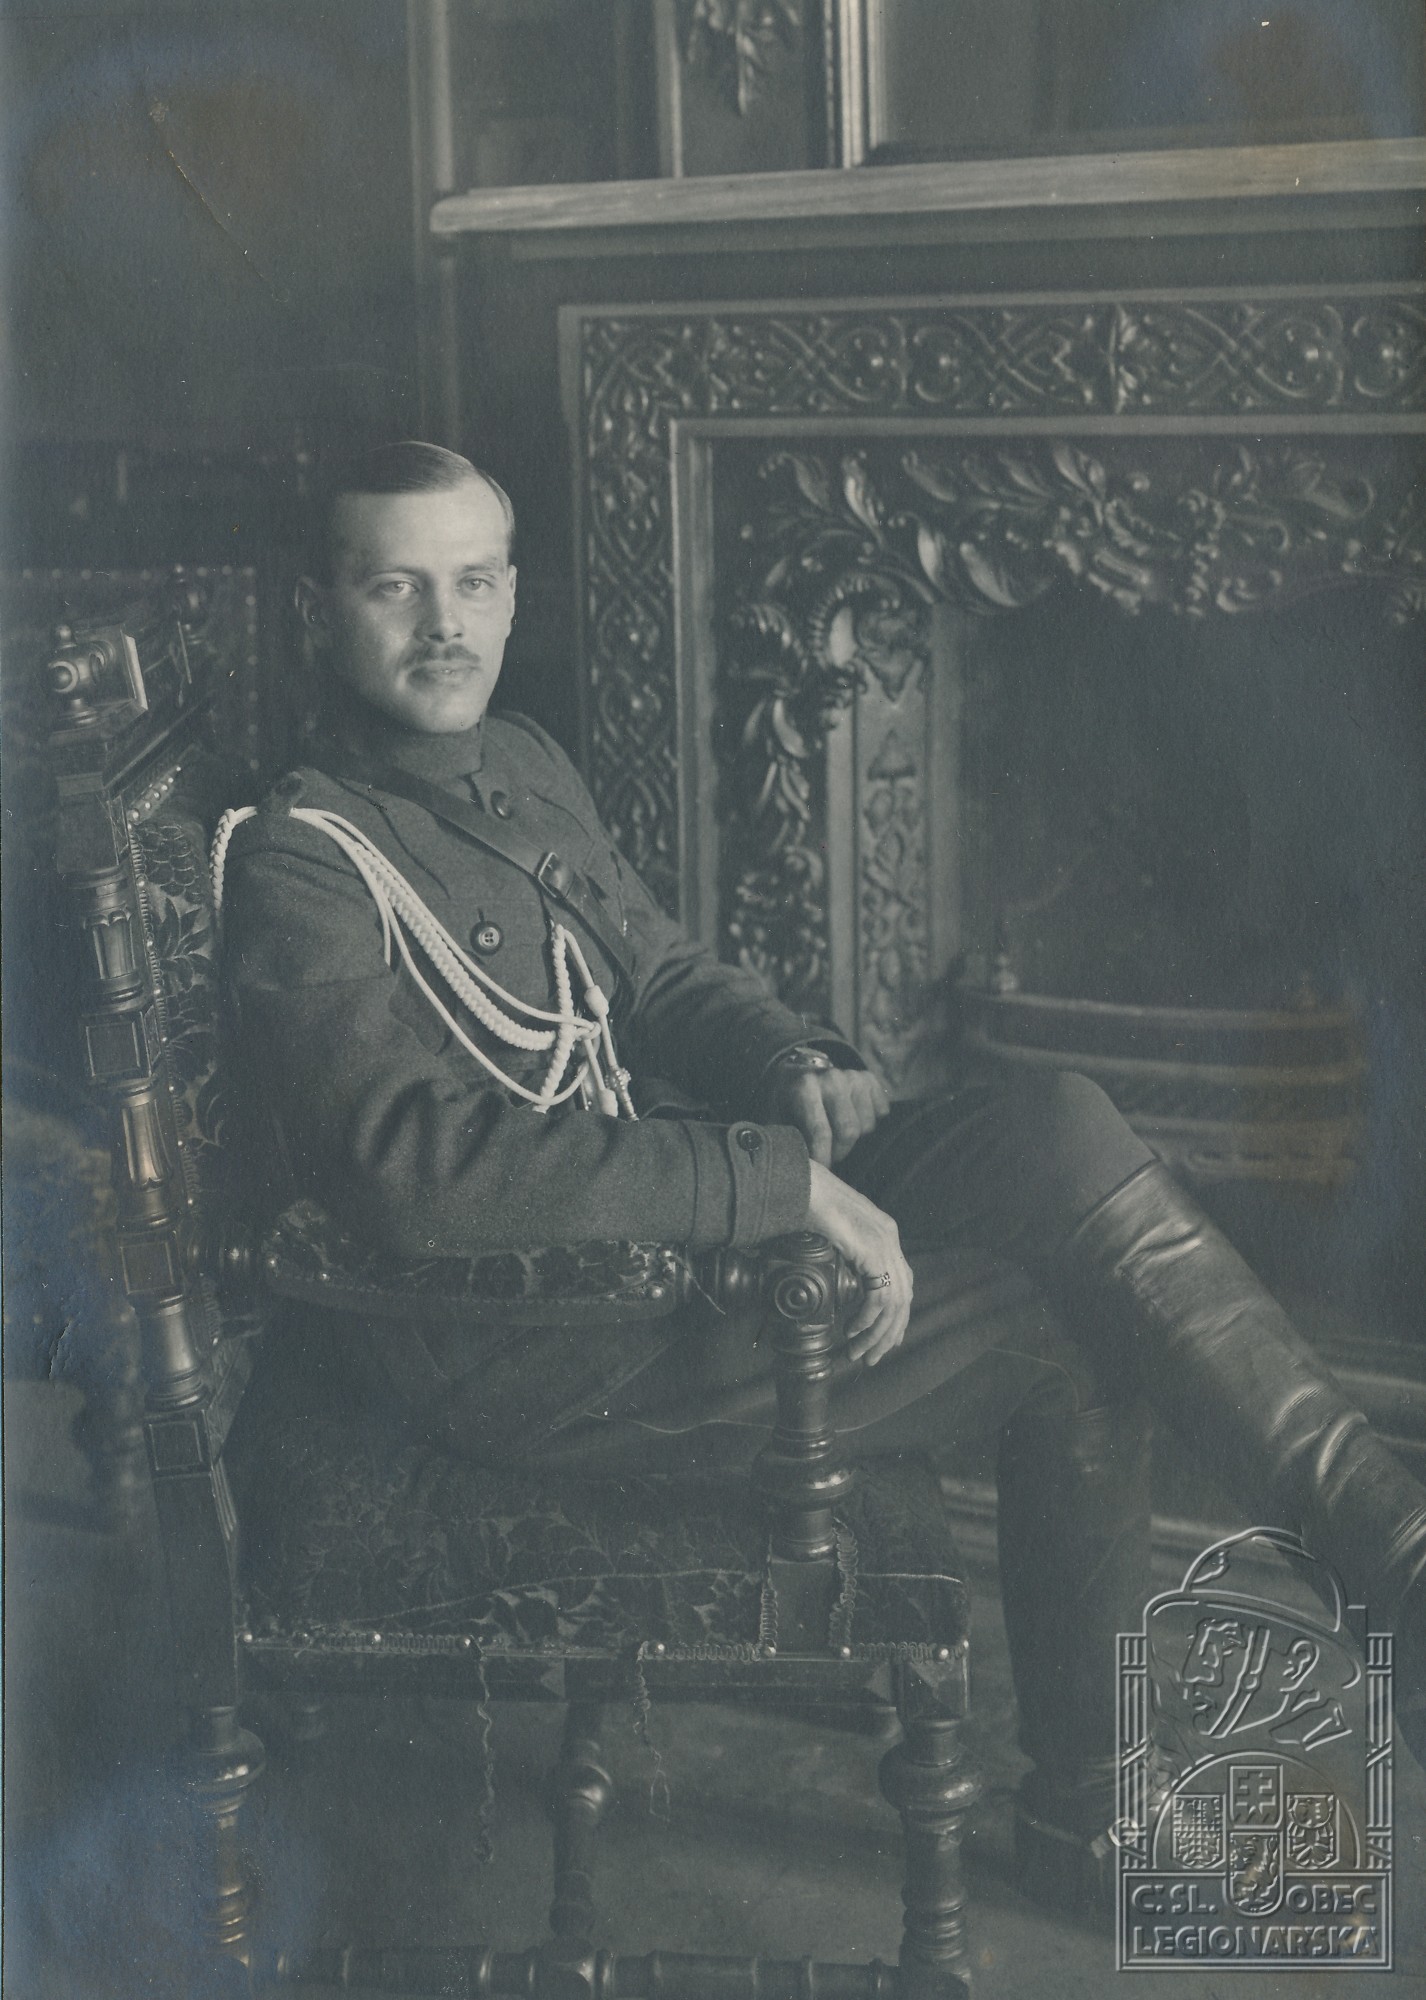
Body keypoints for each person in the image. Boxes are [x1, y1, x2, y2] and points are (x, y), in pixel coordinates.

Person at [220, 440, 1426, 1906]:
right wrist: (778, 1184)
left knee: (1056, 1122)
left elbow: (661, 975)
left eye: (472, 583)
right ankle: (1103, 1810)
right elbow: (420, 1172)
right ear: (321, 611)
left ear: (514, 592)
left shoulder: (517, 764)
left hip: (652, 1241)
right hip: (529, 1345)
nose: (444, 625)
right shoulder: (303, 859)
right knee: (1070, 1334)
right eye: (395, 588)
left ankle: (1391, 1557)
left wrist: (788, 1060)